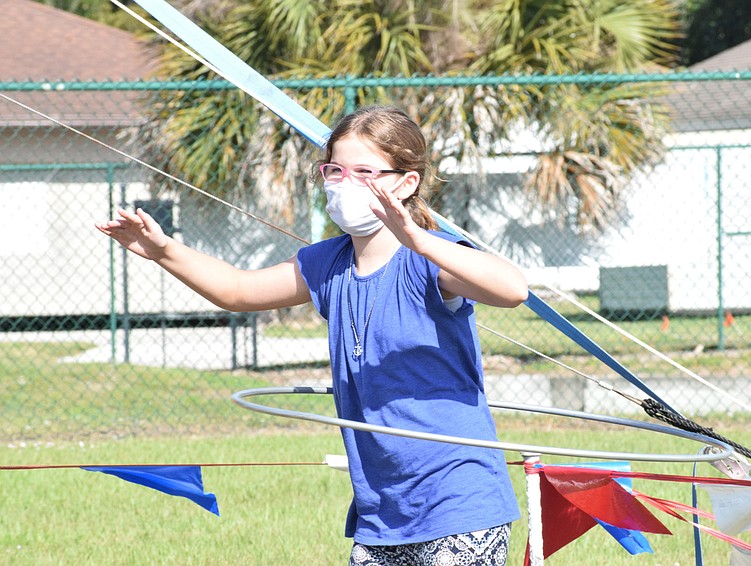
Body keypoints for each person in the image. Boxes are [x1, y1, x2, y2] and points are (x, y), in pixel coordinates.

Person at [96, 105, 528, 566]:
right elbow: (238, 290)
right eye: (335, 171)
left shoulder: (431, 260)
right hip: (382, 512)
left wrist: (421, 240)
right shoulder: (327, 263)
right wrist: (163, 251)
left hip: (459, 500)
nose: (345, 183)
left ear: (405, 183)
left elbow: (512, 289)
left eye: (364, 172)